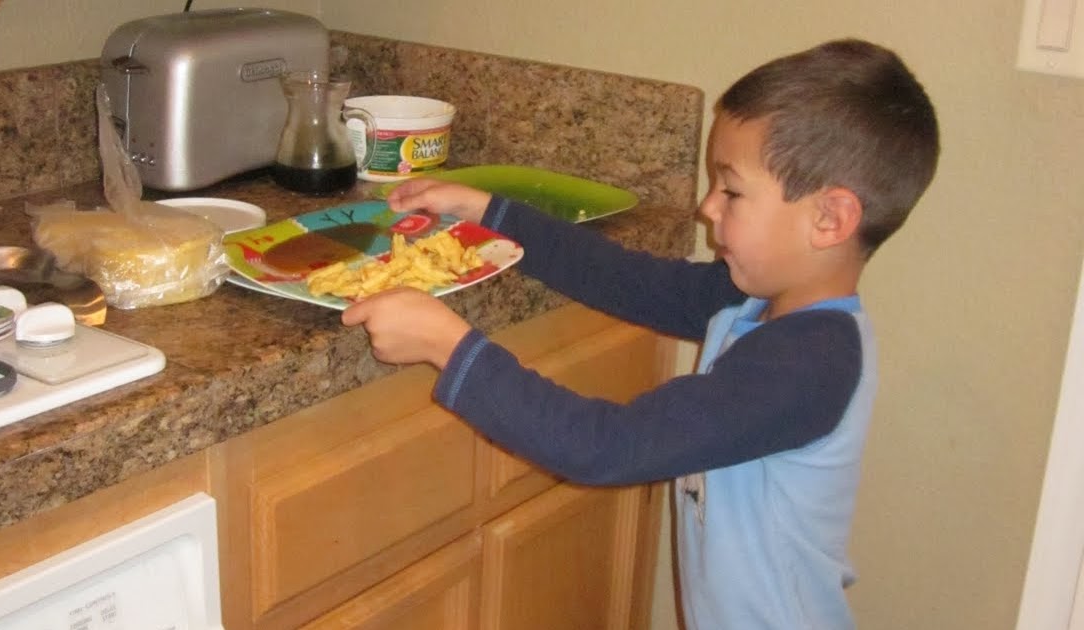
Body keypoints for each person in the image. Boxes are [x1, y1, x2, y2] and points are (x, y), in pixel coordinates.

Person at [341, 38, 939, 629]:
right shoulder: (757, 300)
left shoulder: (812, 366)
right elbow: (629, 280)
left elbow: (607, 447)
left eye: (731, 191)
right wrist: (490, 214)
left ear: (830, 219)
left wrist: (448, 345)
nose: (708, 208)